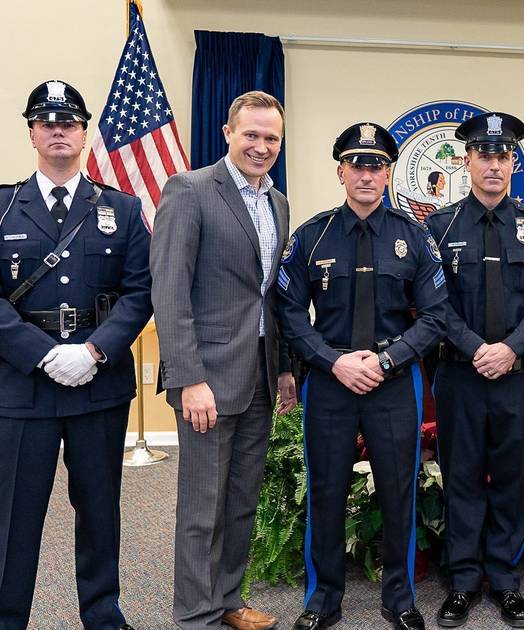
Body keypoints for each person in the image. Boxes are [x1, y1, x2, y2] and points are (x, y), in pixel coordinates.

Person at [277, 122, 448, 630]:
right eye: (357, 164)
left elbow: (436, 315)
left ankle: (400, 598)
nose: (367, 174)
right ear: (341, 172)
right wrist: (332, 361)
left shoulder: (414, 237)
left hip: (394, 382)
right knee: (325, 489)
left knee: (399, 490)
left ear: (390, 173)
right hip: (330, 381)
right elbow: (288, 311)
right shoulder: (312, 236)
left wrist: (387, 360)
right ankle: (323, 598)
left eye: (376, 165)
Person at [0, 79, 151, 630]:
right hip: (24, 385)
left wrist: (94, 350)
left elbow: (141, 291)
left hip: (98, 384)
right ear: (33, 133)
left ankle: (103, 616)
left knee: (99, 510)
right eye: (47, 122)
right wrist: (42, 354)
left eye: (68, 122)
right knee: (16, 516)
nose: (58, 130)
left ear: (84, 133)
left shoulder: (123, 209)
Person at [150, 90, 295, 630]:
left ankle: (228, 600)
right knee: (201, 507)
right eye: (252, 135)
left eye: (271, 138)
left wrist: (282, 368)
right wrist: (188, 378)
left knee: (240, 502)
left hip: (257, 374)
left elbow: (271, 295)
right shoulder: (189, 191)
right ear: (228, 133)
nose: (261, 147)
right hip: (206, 379)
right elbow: (169, 291)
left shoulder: (277, 202)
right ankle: (194, 616)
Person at [423, 112, 524, 628]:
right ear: (467, 160)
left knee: (512, 477)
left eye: (504, 155)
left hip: (518, 376)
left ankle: (504, 578)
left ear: (512, 162)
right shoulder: (440, 227)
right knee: (460, 476)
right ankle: (461, 581)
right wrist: (478, 347)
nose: (494, 165)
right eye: (485, 154)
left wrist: (512, 348)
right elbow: (434, 302)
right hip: (460, 374)